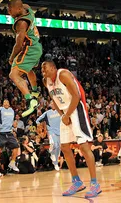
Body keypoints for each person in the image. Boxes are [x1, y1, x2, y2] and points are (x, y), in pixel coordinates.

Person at [41, 61, 100, 198]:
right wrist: (62, 116)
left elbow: (76, 96)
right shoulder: (46, 81)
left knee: (84, 146)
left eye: (47, 70)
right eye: (42, 71)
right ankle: (76, 181)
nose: (44, 73)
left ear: (54, 68)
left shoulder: (64, 75)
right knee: (65, 147)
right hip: (65, 112)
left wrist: (67, 115)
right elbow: (53, 99)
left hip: (76, 109)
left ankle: (94, 184)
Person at [7, 0, 43, 118]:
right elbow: (24, 3)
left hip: (29, 49)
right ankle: (35, 91)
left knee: (13, 74)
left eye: (10, 10)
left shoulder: (21, 23)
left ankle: (30, 101)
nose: (9, 12)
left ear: (18, 9)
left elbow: (18, 44)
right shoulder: (28, 10)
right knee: (29, 70)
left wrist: (12, 57)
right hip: (37, 47)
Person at [0, 99, 19, 177]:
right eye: (4, 102)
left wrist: (14, 125)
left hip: (9, 132)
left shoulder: (12, 111)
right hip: (1, 133)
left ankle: (12, 163)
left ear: (9, 104)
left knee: (16, 147)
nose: (6, 103)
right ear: (2, 104)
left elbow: (11, 121)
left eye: (7, 102)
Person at [36, 101, 61, 171]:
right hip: (51, 131)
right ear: (50, 104)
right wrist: (39, 125)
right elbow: (38, 120)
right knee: (53, 144)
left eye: (54, 103)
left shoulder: (60, 111)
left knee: (58, 147)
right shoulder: (47, 113)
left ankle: (55, 163)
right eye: (51, 103)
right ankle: (51, 152)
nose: (53, 104)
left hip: (59, 131)